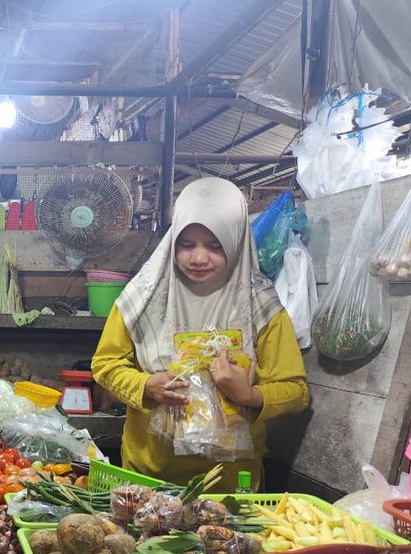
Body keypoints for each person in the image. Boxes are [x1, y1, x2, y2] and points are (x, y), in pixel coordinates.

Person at [91, 177, 308, 492]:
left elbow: (296, 390)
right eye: (186, 243)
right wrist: (145, 385)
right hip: (149, 474)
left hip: (231, 484)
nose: (198, 258)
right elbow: (105, 363)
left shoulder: (262, 308)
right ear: (172, 241)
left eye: (215, 245)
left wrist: (248, 396)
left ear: (236, 241)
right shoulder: (142, 299)